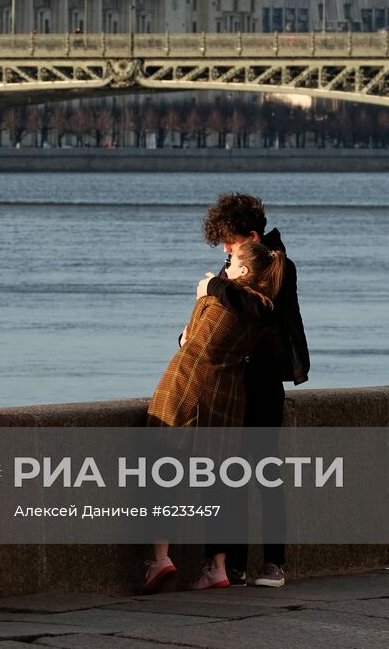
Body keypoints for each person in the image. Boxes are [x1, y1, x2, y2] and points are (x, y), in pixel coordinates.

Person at [141, 239, 286, 594]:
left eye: (232, 259)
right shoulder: (263, 309)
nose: (226, 263)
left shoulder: (219, 299)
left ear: (245, 270)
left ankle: (160, 558)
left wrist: (203, 294)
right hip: (229, 397)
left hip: (186, 389)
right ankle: (217, 568)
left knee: (162, 471)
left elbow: (193, 343)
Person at [194, 192, 309, 590]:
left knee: (265, 473)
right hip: (233, 381)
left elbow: (259, 309)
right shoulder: (232, 267)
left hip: (263, 381)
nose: (225, 248)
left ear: (253, 236)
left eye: (230, 240)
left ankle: (274, 563)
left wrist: (214, 288)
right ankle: (236, 564)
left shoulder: (280, 266)